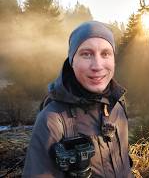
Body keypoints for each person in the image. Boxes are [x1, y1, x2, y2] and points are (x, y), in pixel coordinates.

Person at [23, 21, 133, 178]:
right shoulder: (52, 119)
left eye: (105, 53)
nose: (97, 65)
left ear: (114, 60)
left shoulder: (117, 106)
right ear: (71, 61)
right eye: (86, 54)